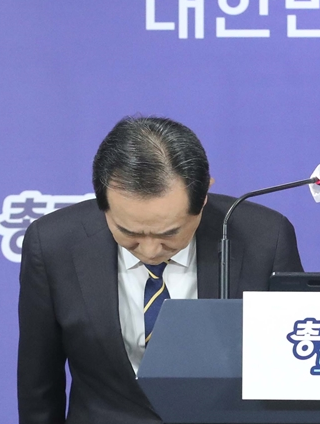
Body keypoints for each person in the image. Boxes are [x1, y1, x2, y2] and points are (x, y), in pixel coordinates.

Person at [17, 116, 305, 423]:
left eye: (169, 233)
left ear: (203, 197)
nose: (150, 250)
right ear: (103, 204)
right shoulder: (53, 244)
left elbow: (294, 369)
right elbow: (39, 387)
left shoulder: (265, 238)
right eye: (129, 233)